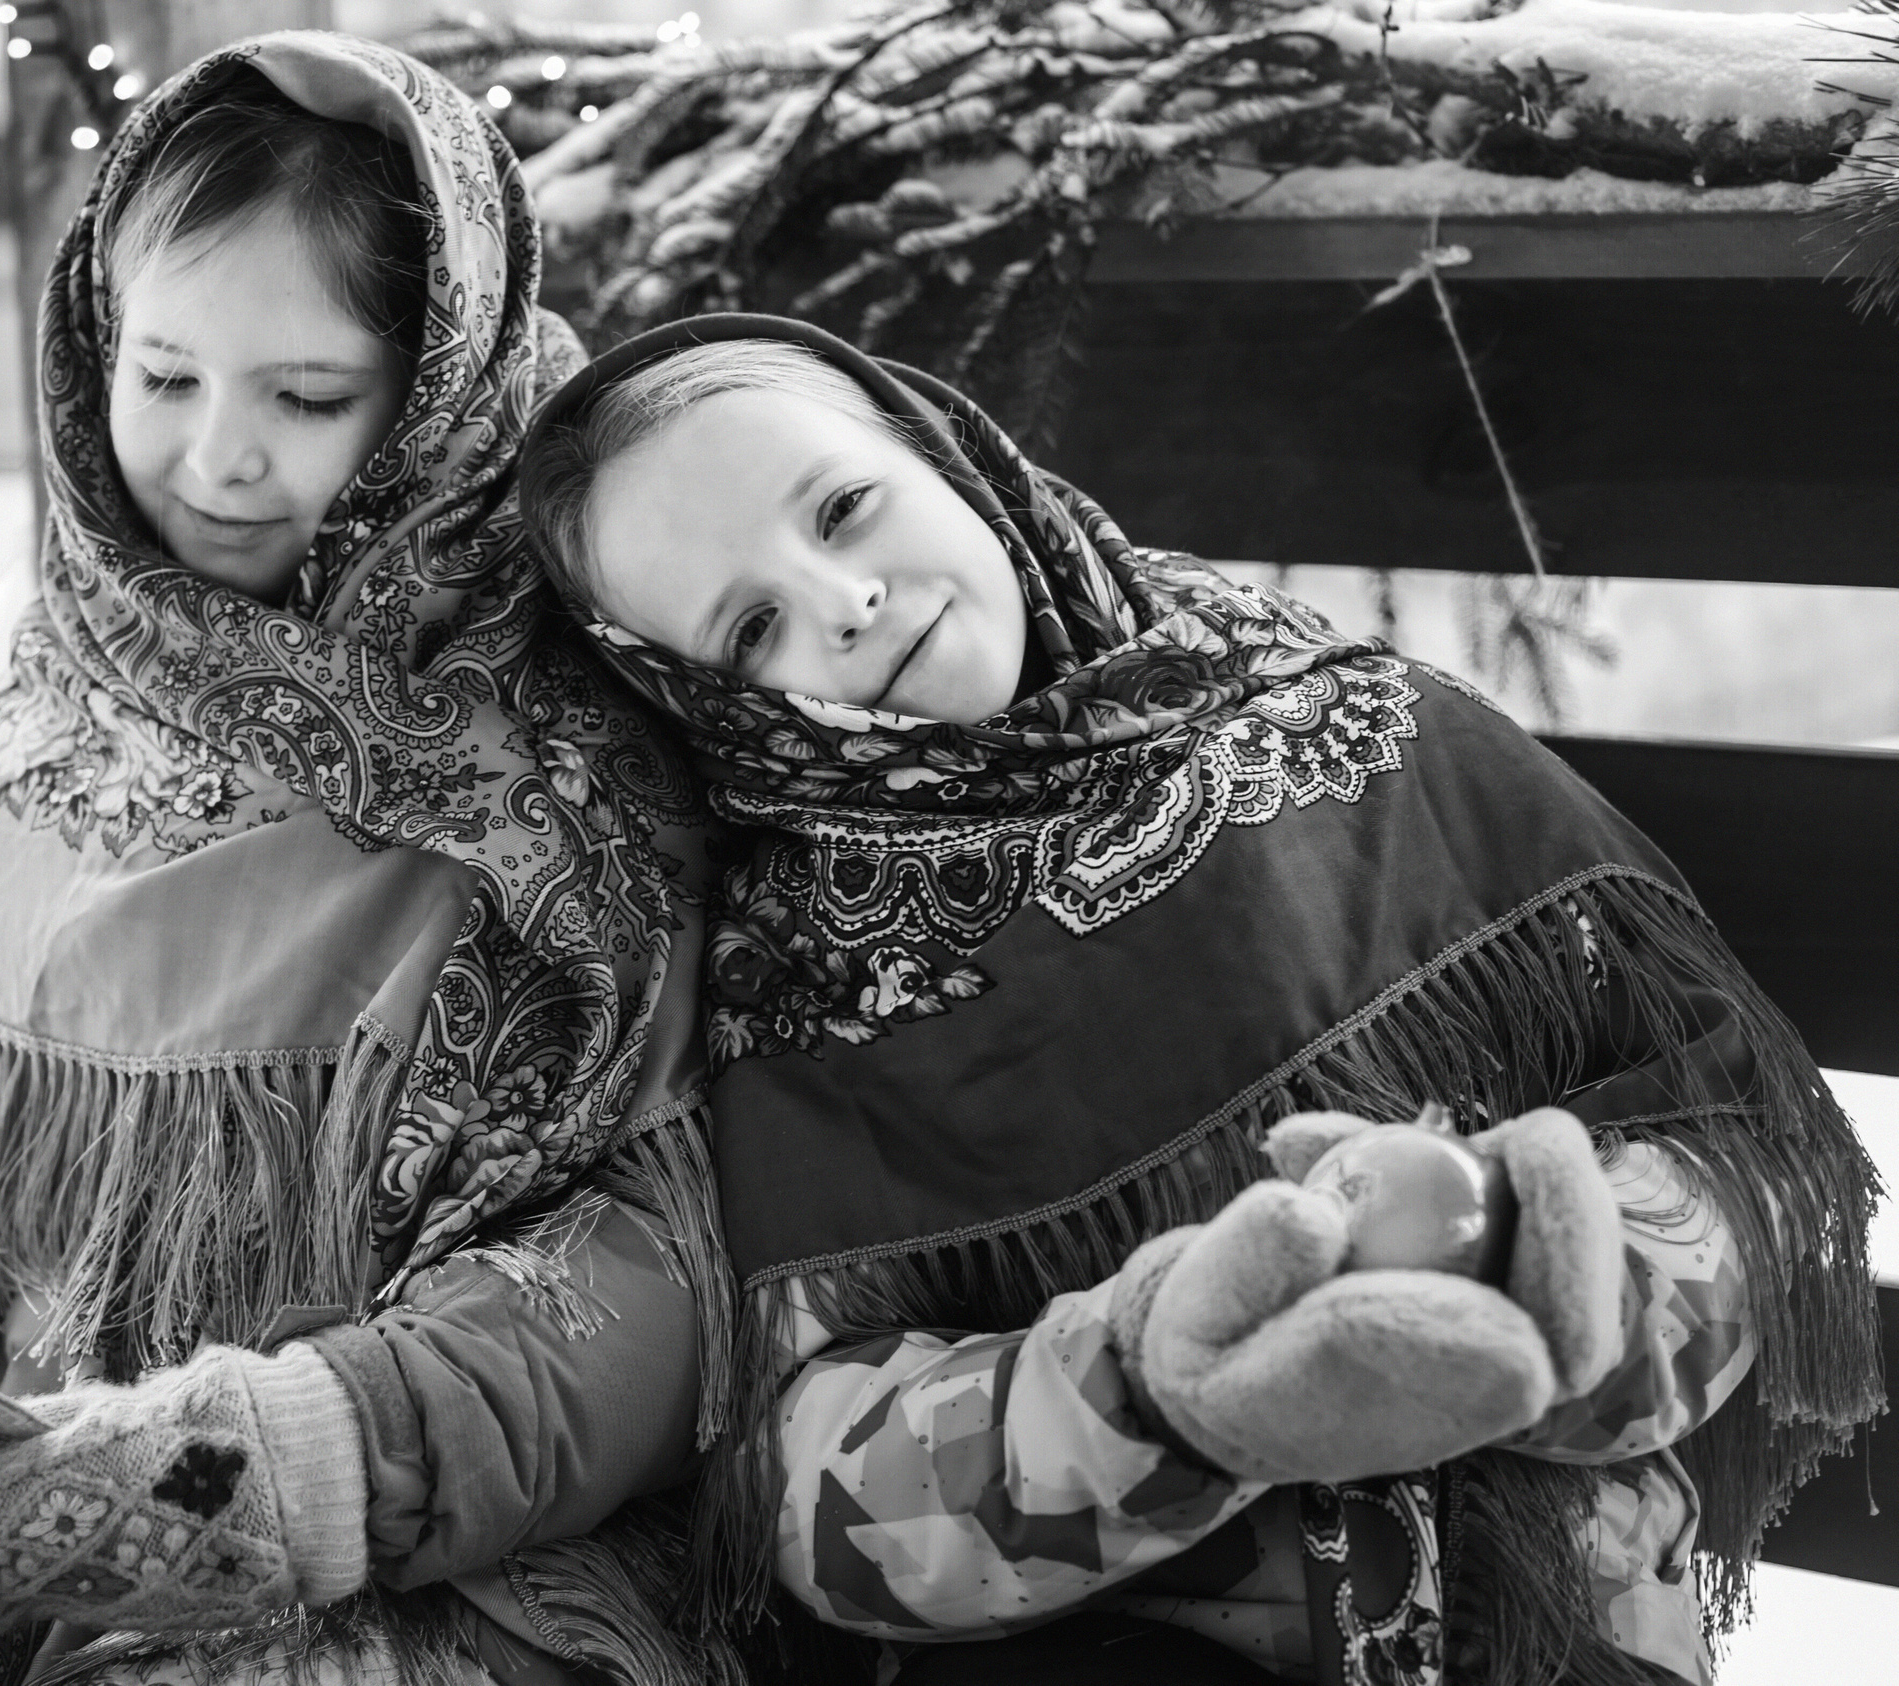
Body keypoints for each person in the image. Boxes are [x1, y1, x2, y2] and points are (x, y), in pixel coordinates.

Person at [0, 37, 738, 1686]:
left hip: (435, 1548)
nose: (218, 460)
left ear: (441, 389)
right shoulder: (43, 720)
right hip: (28, 1515)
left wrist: (288, 1456)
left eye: (309, 396)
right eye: (167, 374)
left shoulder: (573, 750)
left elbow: (646, 1277)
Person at [517, 315, 1884, 1686]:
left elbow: (1752, 1162)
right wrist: (1149, 1392)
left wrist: (1556, 1282)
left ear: (942, 453)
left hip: (1549, 1614)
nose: (841, 601)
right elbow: (814, 1491)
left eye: (842, 508)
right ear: (699, 701)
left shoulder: (1374, 732)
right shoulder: (804, 984)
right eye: (751, 625)